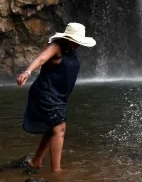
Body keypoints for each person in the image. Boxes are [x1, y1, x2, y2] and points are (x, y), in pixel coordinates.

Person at [17, 23, 96, 172]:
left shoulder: (71, 49)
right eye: (75, 40)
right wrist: (27, 72)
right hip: (45, 92)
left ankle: (36, 161)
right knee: (59, 128)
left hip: (59, 95)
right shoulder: (56, 47)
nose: (77, 44)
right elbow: (40, 59)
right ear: (67, 38)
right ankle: (56, 171)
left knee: (51, 127)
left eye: (79, 41)